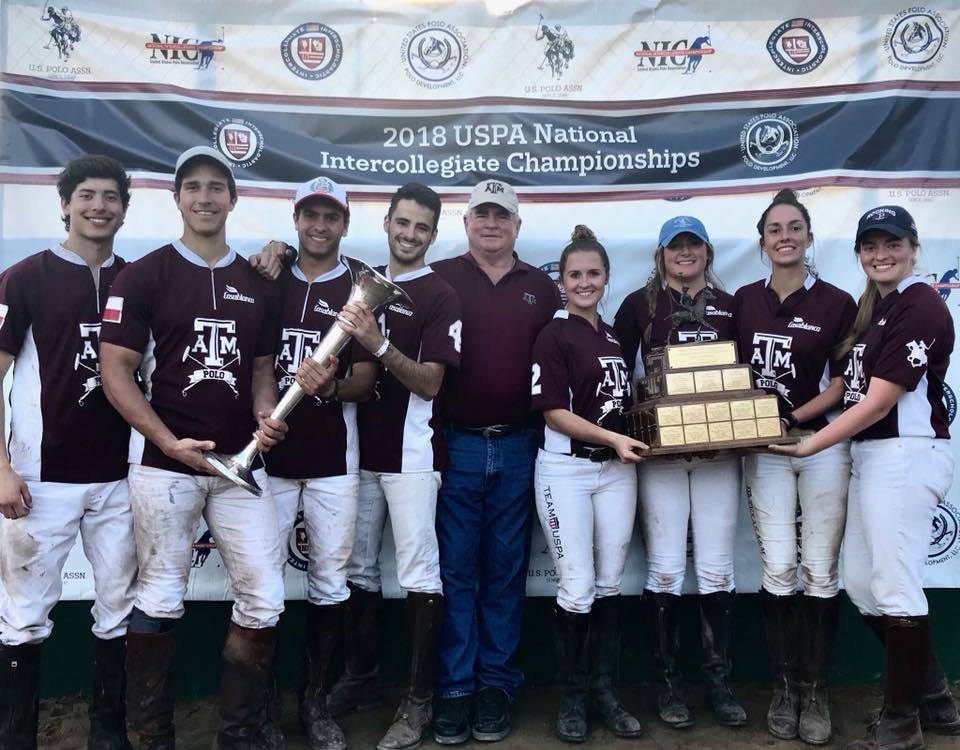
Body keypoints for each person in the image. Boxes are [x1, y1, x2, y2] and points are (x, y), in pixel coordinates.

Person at [99, 146, 328, 750]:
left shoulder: (258, 280)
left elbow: (259, 369)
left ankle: (239, 735)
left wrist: (263, 414)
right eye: (192, 186)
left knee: (265, 597)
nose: (205, 197)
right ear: (177, 198)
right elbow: (116, 373)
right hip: (163, 466)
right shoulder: (142, 275)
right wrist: (168, 442)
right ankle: (151, 737)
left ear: (233, 198)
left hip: (239, 469)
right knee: (160, 597)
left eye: (216, 187)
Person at [770, 205, 960, 750]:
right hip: (873, 457)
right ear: (858, 253)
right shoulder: (879, 308)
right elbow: (849, 392)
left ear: (914, 246)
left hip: (906, 453)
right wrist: (797, 421)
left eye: (892, 244)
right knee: (860, 584)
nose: (881, 254)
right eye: (870, 246)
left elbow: (878, 402)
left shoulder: (921, 304)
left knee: (896, 586)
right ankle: (935, 695)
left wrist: (808, 445)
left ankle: (902, 722)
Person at [0, 155, 138, 749]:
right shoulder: (25, 276)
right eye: (86, 195)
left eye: (110, 196)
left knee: (119, 608)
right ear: (64, 203)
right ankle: (17, 738)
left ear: (125, 210)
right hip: (39, 478)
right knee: (23, 618)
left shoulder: (137, 279)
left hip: (120, 479)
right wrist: (1, 469)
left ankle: (107, 735)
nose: (98, 206)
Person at [323, 182, 462, 750]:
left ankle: (418, 700)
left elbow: (431, 381)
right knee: (356, 568)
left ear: (432, 234)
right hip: (355, 453)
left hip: (411, 456)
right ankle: (361, 677)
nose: (409, 234)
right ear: (385, 222)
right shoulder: (357, 279)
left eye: (421, 227)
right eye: (401, 223)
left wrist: (379, 345)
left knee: (418, 574)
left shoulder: (441, 296)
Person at [430, 179, 561, 744]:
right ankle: (456, 688)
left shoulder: (542, 288)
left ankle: (496, 685)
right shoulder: (439, 277)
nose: (491, 223)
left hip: (517, 444)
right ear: (466, 223)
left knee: (505, 575)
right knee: (457, 572)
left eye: (501, 215)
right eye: (481, 213)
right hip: (456, 442)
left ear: (516, 226)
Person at [614, 215, 747, 730]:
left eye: (694, 245)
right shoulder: (639, 306)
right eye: (676, 246)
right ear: (662, 254)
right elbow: (615, 374)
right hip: (661, 457)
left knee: (716, 570)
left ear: (708, 252)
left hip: (718, 455)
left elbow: (745, 375)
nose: (685, 253)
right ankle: (668, 684)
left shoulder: (730, 305)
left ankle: (718, 681)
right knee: (666, 570)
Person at [735, 189, 857, 745]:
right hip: (765, 452)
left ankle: (817, 690)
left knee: (820, 571)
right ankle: (785, 688)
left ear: (808, 236)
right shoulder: (743, 300)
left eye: (794, 227)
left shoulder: (837, 301)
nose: (784, 237)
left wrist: (789, 418)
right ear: (762, 242)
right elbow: (728, 379)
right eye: (774, 229)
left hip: (823, 443)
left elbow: (839, 383)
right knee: (779, 568)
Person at [263, 176, 377, 750]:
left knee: (331, 582)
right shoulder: (266, 276)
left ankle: (315, 706)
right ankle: (262, 709)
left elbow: (366, 379)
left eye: (330, 216)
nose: (319, 225)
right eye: (310, 215)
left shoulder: (359, 290)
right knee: (260, 584)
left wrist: (331, 389)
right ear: (295, 220)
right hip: (268, 454)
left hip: (334, 456)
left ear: (345, 224)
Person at [530, 225, 647, 743]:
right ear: (561, 280)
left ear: (606, 277)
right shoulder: (553, 334)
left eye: (593, 274)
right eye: (574, 274)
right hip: (567, 471)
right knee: (576, 588)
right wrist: (613, 439)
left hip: (617, 471)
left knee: (608, 583)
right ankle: (573, 697)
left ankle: (604, 690)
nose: (583, 282)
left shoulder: (614, 335)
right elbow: (554, 412)